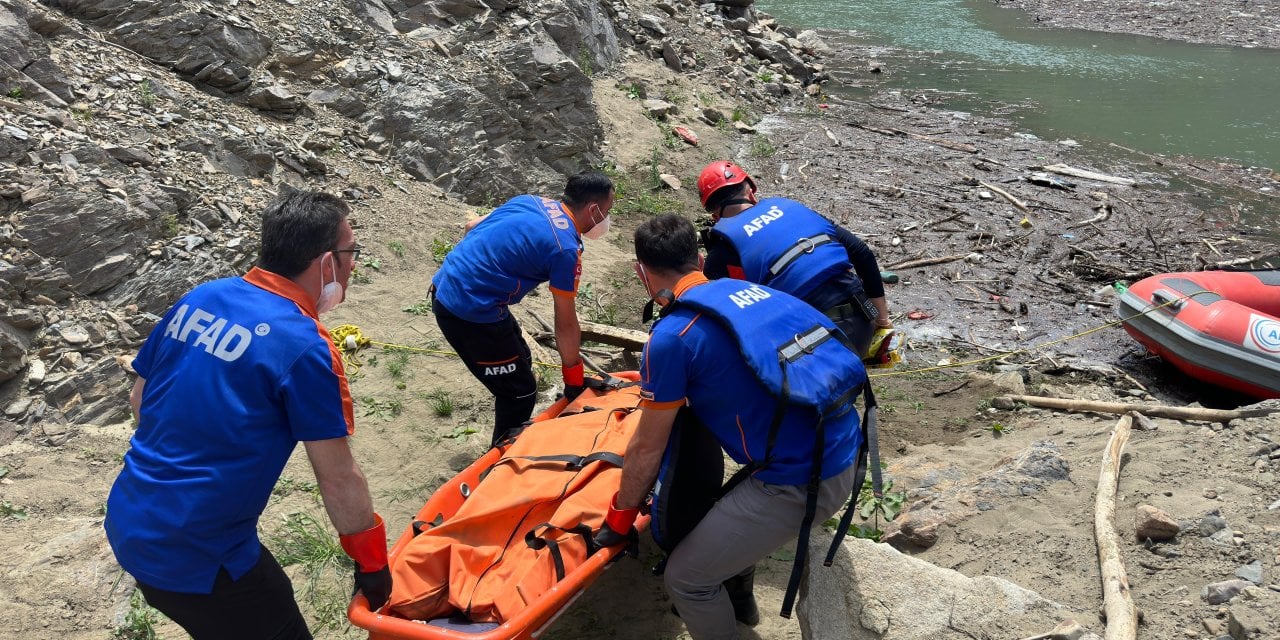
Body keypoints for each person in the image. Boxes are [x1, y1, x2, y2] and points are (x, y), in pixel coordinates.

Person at [104, 190, 391, 640]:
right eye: (350, 252)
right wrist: (372, 562)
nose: (354, 264)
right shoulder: (306, 347)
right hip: (199, 552)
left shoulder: (204, 296)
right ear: (326, 262)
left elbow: (141, 399)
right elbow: (337, 476)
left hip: (129, 519)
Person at [595, 214, 866, 640]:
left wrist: (619, 517)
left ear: (641, 273)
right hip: (845, 446)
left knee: (687, 579)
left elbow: (648, 448)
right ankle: (740, 601)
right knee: (725, 514)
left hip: (802, 480)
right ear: (699, 259)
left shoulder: (672, 336)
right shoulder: (753, 291)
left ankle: (722, 604)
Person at [430, 171, 615, 446]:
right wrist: (574, 380)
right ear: (593, 209)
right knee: (520, 392)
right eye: (607, 211)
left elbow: (471, 226)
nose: (606, 220)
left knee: (522, 358)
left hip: (444, 286)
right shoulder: (564, 248)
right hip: (470, 312)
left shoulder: (531, 201)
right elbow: (565, 321)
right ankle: (498, 464)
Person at [696, 160, 893, 358]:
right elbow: (862, 253)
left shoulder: (724, 247)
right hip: (861, 323)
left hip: (809, 342)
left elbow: (720, 304)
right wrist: (882, 321)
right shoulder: (791, 206)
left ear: (715, 215)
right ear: (750, 193)